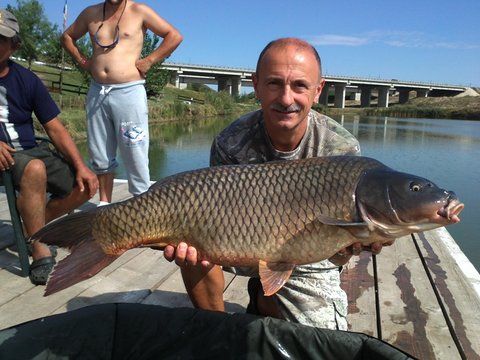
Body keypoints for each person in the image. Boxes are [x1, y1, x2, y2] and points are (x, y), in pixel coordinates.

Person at [163, 38, 392, 330]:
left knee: (319, 340)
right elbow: (212, 210)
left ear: (318, 90)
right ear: (255, 85)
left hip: (309, 252)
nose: (286, 99)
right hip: (235, 240)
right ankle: (216, 328)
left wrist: (358, 241)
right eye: (274, 84)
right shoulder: (230, 142)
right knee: (193, 244)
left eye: (299, 85)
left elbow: (336, 254)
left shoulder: (341, 149)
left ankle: (265, 299)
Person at [0, 9, 99, 285]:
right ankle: (40, 249)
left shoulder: (27, 80)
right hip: (10, 157)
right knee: (34, 169)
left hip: (29, 149)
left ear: (14, 45)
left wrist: (81, 166)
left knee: (85, 185)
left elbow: (54, 127)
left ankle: (31, 227)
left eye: (1, 39)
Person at [61, 0, 183, 205]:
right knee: (99, 151)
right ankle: (104, 204)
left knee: (134, 149)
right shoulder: (90, 13)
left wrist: (149, 61)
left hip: (129, 91)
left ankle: (143, 202)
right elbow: (67, 37)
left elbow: (174, 36)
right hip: (97, 91)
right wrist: (84, 62)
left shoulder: (139, 11)